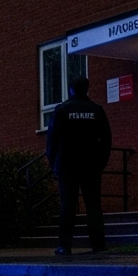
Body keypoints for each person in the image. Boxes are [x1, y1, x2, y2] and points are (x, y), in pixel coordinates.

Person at [46, 76, 112, 255]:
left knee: (67, 205)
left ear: (71, 89)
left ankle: (64, 246)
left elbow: (52, 140)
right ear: (87, 89)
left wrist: (54, 165)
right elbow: (107, 140)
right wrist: (100, 163)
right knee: (93, 205)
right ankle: (98, 244)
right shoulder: (96, 110)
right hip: (91, 166)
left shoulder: (62, 110)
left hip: (67, 167)